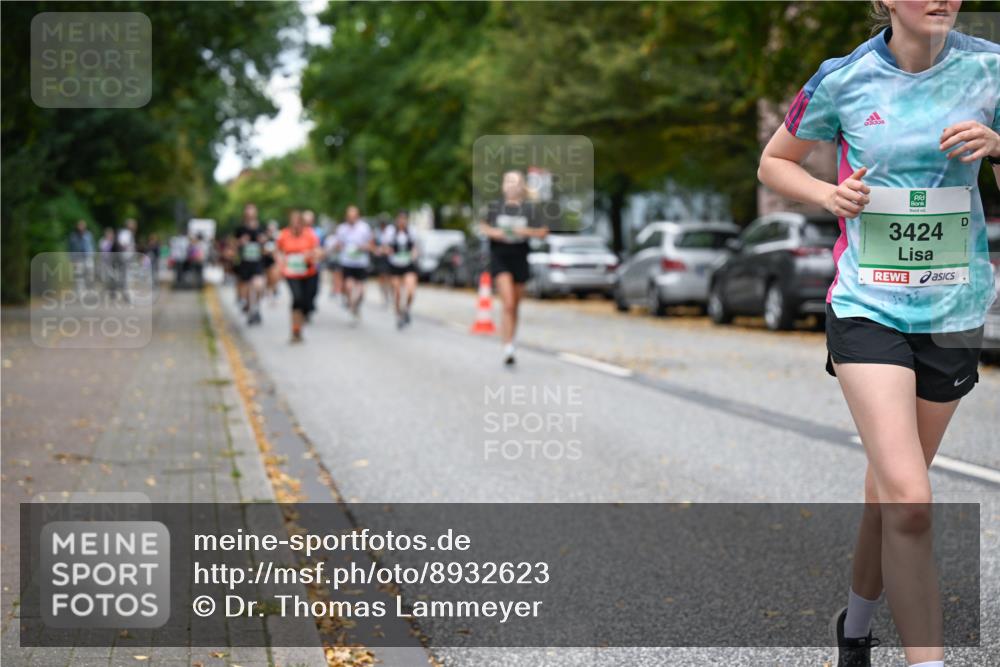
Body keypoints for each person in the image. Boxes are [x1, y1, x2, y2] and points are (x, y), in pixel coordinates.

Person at [757, 3, 999, 667]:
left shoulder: (991, 69)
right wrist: (825, 194)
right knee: (913, 499)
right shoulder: (844, 77)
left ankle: (855, 627)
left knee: (889, 492)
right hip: (870, 307)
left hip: (953, 313)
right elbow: (773, 163)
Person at [478, 170, 549, 365]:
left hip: (520, 256)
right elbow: (483, 227)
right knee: (507, 303)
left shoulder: (529, 209)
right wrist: (495, 233)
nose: (511, 185)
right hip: (500, 256)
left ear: (521, 187)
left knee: (515, 306)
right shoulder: (495, 207)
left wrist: (524, 231)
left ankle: (511, 339)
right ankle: (507, 346)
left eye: (515, 182)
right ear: (503, 185)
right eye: (508, 181)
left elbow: (543, 232)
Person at [275, 209, 321, 343]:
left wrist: (311, 254)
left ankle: (301, 323)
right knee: (297, 298)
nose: (295, 224)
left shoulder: (309, 234)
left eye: (298, 221)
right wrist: (280, 261)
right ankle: (296, 329)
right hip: (291, 273)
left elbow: (318, 250)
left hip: (308, 272)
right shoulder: (284, 234)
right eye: (293, 221)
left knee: (306, 302)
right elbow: (278, 251)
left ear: (302, 222)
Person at [333, 205, 375, 324]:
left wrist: (364, 247)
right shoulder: (341, 229)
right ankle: (351, 308)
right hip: (347, 262)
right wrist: (339, 247)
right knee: (349, 287)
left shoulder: (364, 228)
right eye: (349, 216)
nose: (351, 218)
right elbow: (338, 244)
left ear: (358, 216)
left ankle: (356, 306)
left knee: (361, 291)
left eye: (354, 216)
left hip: (361, 263)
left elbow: (371, 244)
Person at [381, 210, 420, 329]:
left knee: (410, 291)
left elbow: (415, 247)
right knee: (397, 292)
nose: (402, 222)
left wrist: (414, 254)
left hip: (408, 264)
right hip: (395, 265)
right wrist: (387, 250)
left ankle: (406, 309)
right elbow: (384, 247)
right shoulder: (390, 231)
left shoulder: (411, 231)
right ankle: (399, 315)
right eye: (400, 219)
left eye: (404, 219)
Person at [234, 204, 267, 325]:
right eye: (248, 211)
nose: (250, 214)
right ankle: (250, 311)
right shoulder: (240, 228)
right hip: (245, 262)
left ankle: (256, 307)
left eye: (252, 211)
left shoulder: (260, 227)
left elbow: (265, 244)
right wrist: (241, 242)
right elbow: (234, 245)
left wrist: (263, 241)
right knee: (247, 288)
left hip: (257, 261)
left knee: (259, 285)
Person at [68, 219, 95, 289]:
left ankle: (88, 287)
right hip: (78, 259)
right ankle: (80, 293)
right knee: (78, 276)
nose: (81, 227)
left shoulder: (89, 235)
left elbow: (92, 245)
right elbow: (71, 248)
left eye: (82, 226)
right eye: (79, 226)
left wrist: (92, 255)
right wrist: (72, 259)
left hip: (88, 257)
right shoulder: (73, 236)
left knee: (89, 274)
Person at [373, 216, 393, 307]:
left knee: (389, 277)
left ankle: (390, 295)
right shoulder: (377, 232)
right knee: (381, 277)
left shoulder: (390, 231)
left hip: (389, 258)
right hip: (380, 258)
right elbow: (374, 244)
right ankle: (384, 296)